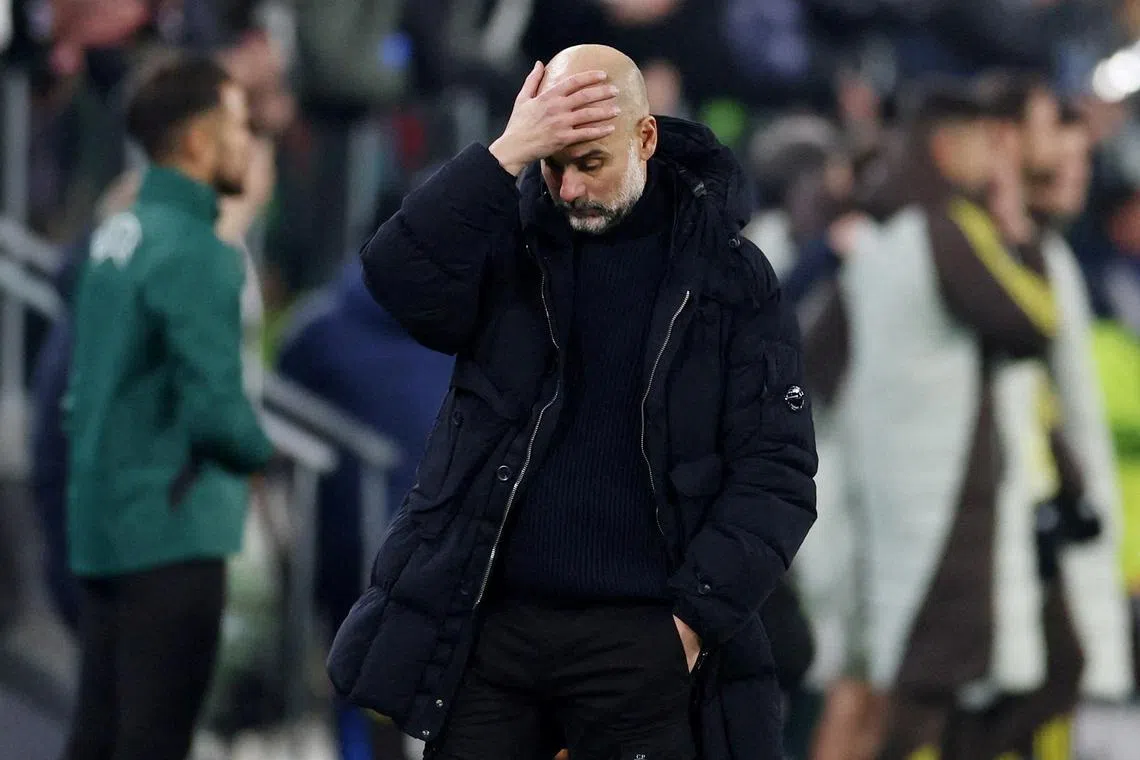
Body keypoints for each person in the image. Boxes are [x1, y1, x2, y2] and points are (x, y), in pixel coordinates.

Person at [327, 44, 818, 760]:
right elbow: (400, 281)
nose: (570, 188)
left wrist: (686, 629)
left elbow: (777, 469)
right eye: (554, 166)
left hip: (644, 636)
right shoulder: (510, 236)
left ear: (645, 138)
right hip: (496, 629)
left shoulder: (731, 276)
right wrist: (505, 152)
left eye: (591, 163)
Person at [61, 55, 274, 760]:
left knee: (96, 733)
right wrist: (259, 452)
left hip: (103, 523)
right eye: (239, 126)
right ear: (195, 142)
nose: (250, 142)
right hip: (174, 533)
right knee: (154, 741)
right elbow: (215, 412)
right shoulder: (199, 253)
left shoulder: (117, 234)